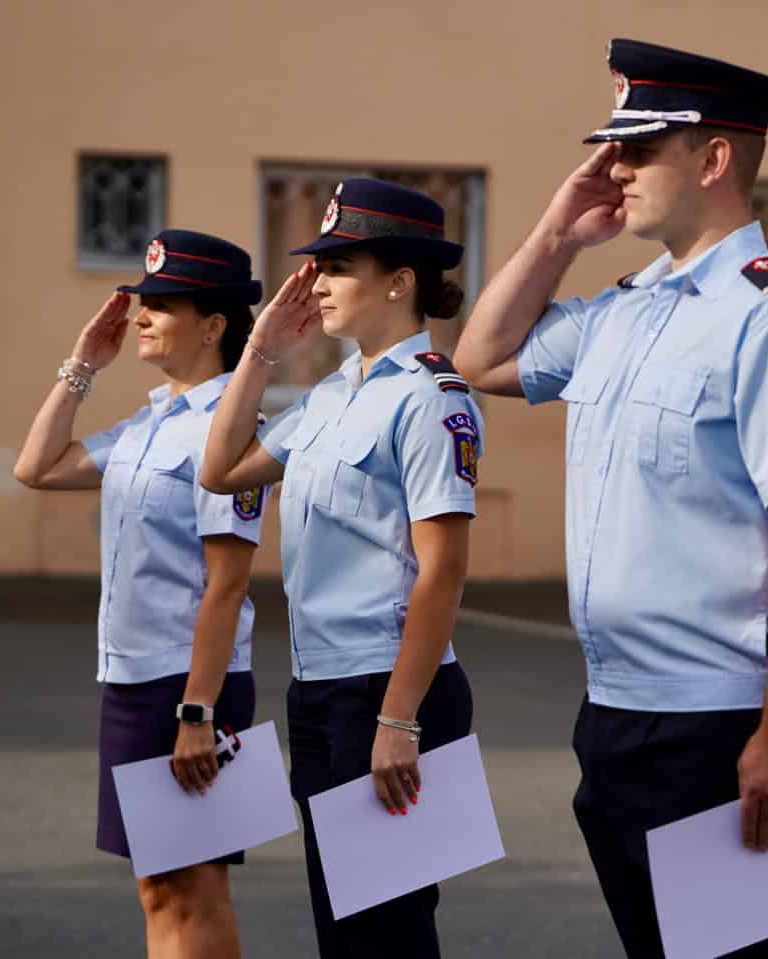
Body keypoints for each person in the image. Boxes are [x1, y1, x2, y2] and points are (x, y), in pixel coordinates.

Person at [454, 38, 768, 958]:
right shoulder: (624, 308)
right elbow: (479, 361)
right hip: (618, 711)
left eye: (638, 150)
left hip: (726, 722)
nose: (613, 169)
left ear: (712, 160)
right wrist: (557, 233)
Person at [198, 178, 480, 959]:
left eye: (337, 266)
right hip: (322, 687)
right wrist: (258, 351)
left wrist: (399, 719)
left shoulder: (432, 397)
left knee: (387, 932)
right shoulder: (329, 394)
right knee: (344, 931)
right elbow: (220, 471)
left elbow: (443, 570)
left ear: (398, 281)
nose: (316, 283)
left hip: (391, 691)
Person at [12, 229, 266, 959]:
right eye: (142, 302)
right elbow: (38, 466)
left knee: (196, 891)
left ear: (214, 325)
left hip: (189, 686)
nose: (143, 315)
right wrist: (84, 365)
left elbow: (228, 583)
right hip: (129, 680)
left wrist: (198, 709)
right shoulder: (152, 422)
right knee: (158, 888)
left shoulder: (229, 427)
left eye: (163, 304)